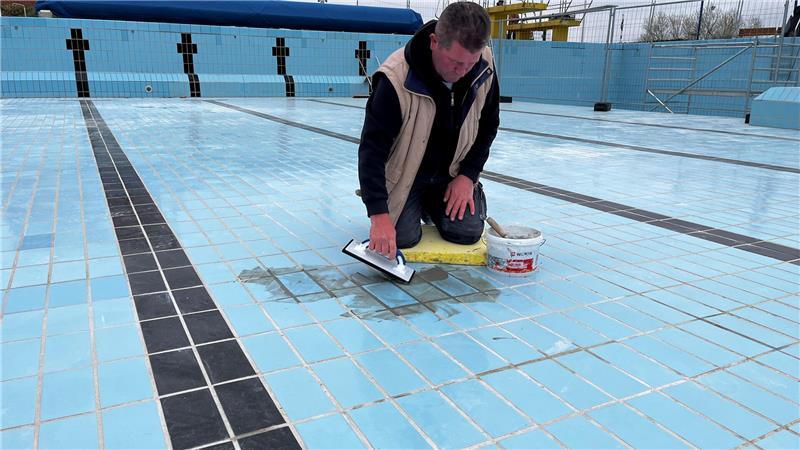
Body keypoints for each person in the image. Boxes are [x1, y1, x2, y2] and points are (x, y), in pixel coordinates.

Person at [357, 2, 500, 260]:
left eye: (470, 62)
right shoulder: (394, 79)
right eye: (456, 62)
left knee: (467, 232)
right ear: (434, 42)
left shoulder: (484, 66)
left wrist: (468, 176)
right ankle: (412, 203)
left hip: (450, 174)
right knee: (402, 239)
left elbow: (489, 125)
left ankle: (438, 203)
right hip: (407, 176)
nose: (463, 71)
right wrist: (379, 214)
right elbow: (371, 152)